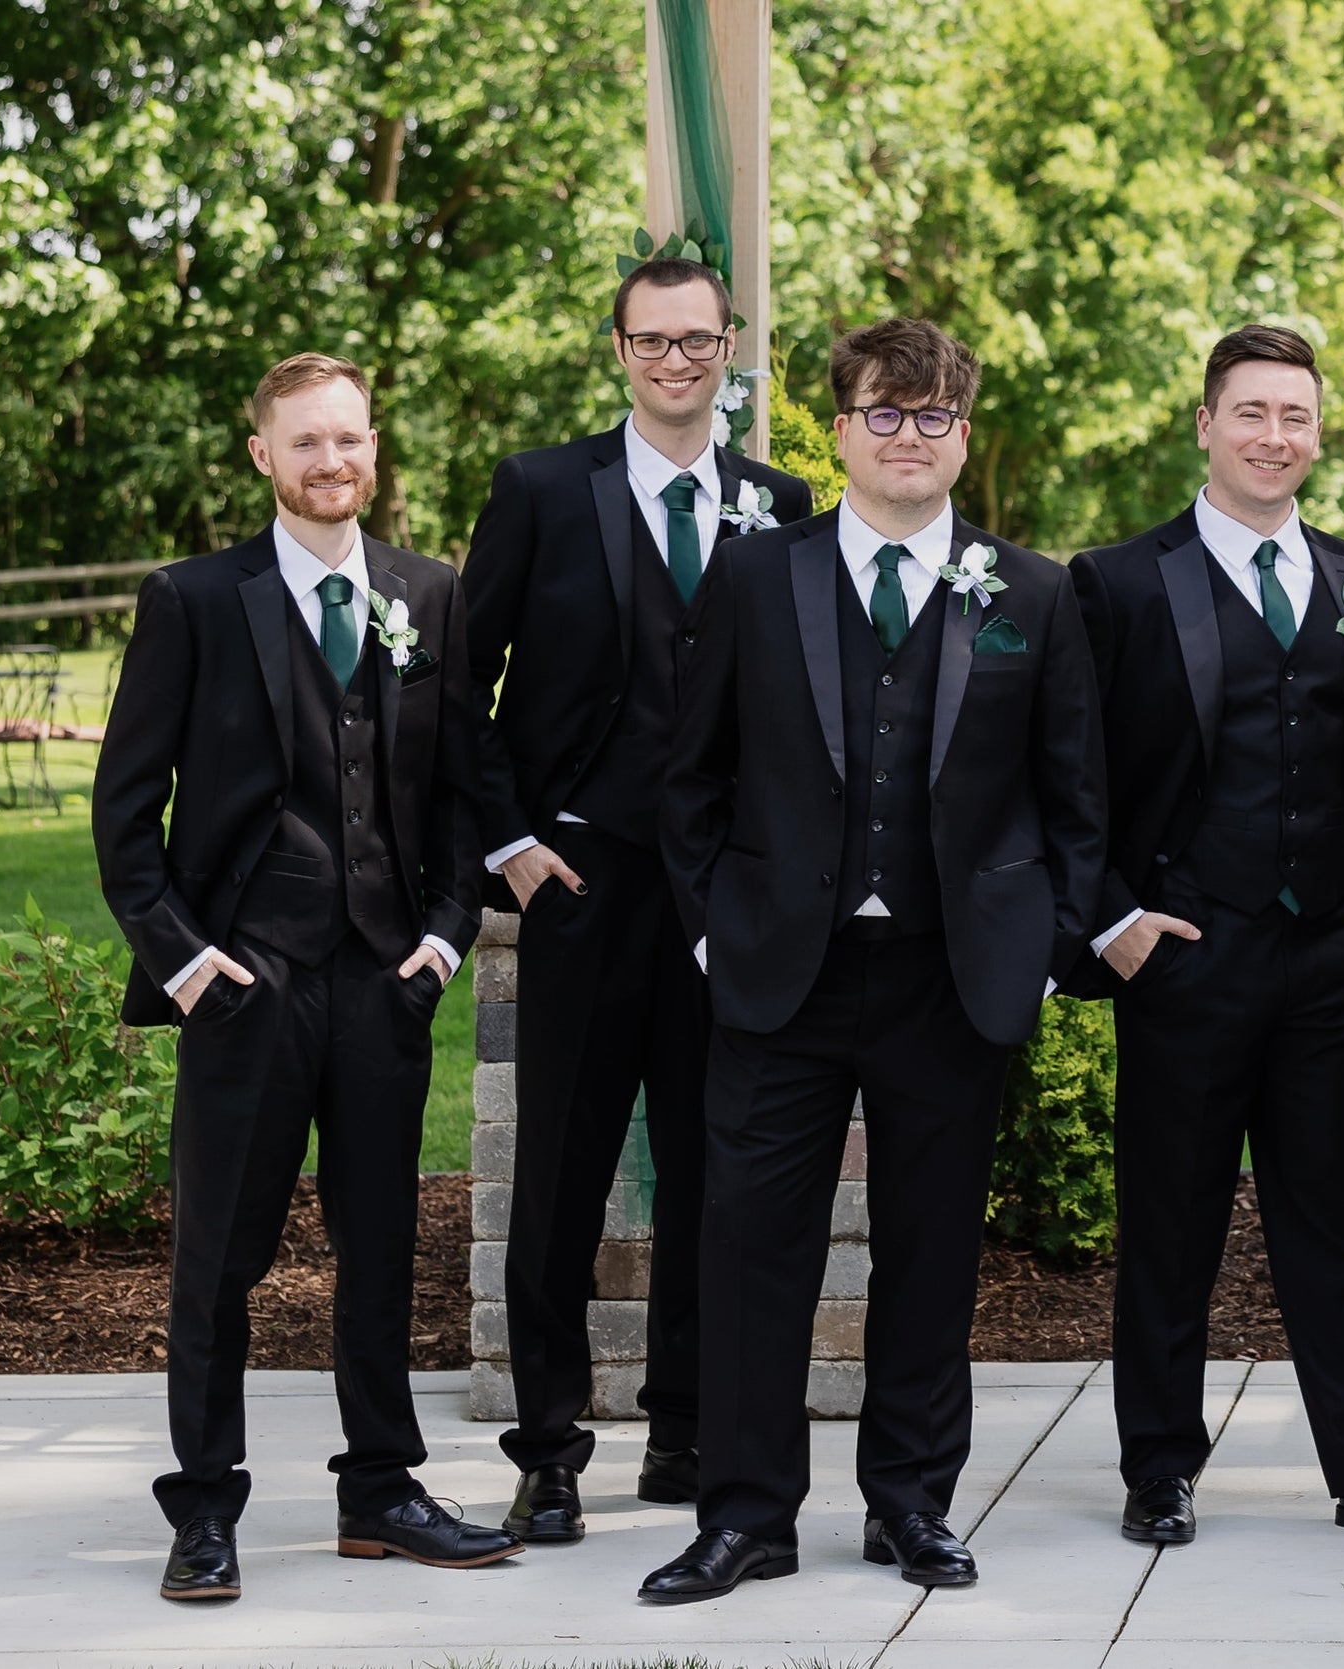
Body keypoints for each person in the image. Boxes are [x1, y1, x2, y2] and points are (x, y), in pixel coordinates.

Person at [637, 318, 1110, 1603]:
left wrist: (1051, 944)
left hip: (951, 981)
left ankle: (911, 1502)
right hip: (777, 976)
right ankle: (746, 1515)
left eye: (936, 416)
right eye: (886, 414)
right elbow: (692, 782)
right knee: (748, 1250)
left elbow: (1075, 798)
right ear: (838, 430)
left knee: (931, 1248)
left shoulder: (1035, 591)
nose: (912, 437)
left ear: (965, 433)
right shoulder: (752, 576)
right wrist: (707, 930)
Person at [96, 352, 520, 1601]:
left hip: (384, 982)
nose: (333, 462)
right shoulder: (193, 600)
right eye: (306, 444)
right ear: (263, 457)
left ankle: (381, 1488)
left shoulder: (426, 596)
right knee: (219, 1256)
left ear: (372, 447)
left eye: (350, 440)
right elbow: (127, 819)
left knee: (382, 1243)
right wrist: (185, 965)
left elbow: (457, 792)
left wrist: (441, 939)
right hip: (245, 981)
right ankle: (206, 1508)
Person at [1069, 325, 1344, 1550]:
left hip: (1328, 965)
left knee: (1335, 1221)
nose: (1273, 436)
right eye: (1250, 413)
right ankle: (1159, 1466)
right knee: (1172, 1218)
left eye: (1294, 415)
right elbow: (1073, 772)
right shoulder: (1122, 580)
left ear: (1318, 431)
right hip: (1186, 957)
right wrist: (1114, 922)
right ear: (1205, 426)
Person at [458, 256, 815, 1541]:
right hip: (583, 881)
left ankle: (687, 1427)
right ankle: (550, 1449)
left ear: (731, 346)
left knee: (719, 1175)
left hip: (723, 895)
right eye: (653, 341)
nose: (678, 360)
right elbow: (462, 687)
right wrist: (509, 842)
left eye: (699, 339)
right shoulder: (544, 490)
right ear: (619, 349)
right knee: (561, 1172)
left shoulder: (783, 503)